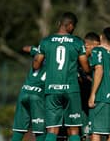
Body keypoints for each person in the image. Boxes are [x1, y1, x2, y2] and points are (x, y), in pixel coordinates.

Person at [33, 12, 90, 141]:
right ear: (70, 25)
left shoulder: (46, 41)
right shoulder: (76, 42)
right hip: (71, 89)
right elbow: (86, 67)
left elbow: (36, 64)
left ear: (59, 24)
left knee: (52, 129)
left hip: (52, 89)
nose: (73, 29)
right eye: (74, 26)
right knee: (74, 129)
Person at [88, 27, 110, 141]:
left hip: (102, 96)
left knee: (96, 133)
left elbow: (99, 70)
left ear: (101, 37)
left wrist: (93, 94)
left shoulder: (98, 50)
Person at [12, 45, 46, 141]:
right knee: (40, 131)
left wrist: (34, 50)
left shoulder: (38, 53)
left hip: (24, 92)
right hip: (37, 96)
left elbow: (25, 48)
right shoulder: (55, 61)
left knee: (19, 129)